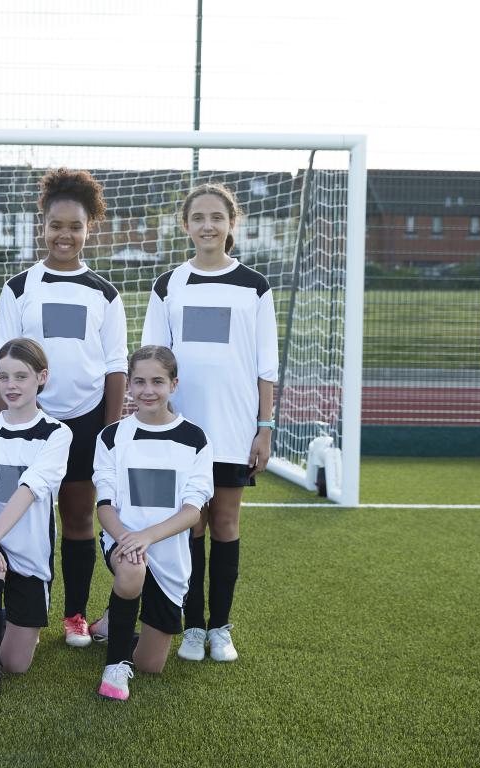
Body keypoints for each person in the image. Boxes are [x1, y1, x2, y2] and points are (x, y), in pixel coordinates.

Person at [141, 182, 278, 663]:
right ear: (186, 225)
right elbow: (152, 362)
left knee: (224, 521)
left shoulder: (254, 286)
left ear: (230, 225)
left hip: (234, 429)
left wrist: (265, 427)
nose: (207, 226)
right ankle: (193, 626)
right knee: (189, 525)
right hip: (179, 433)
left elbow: (266, 366)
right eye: (198, 218)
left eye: (216, 218)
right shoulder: (168, 284)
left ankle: (220, 626)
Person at [0, 168, 127, 647]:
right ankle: (9, 606)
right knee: (16, 514)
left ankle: (73, 614)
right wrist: (0, 420)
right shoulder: (19, 287)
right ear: (41, 226)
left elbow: (115, 365)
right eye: (55, 225)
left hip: (86, 420)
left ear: (90, 227)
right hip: (27, 423)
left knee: (77, 519)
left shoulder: (105, 293)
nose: (64, 235)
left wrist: (110, 431)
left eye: (75, 225)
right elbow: (1, 360)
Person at [92, 345, 213, 701]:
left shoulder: (194, 439)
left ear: (173, 384)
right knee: (132, 566)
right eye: (140, 381)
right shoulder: (112, 436)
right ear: (128, 385)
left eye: (158, 381)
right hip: (122, 540)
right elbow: (104, 506)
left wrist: (147, 536)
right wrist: (128, 539)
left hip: (167, 551)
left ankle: (115, 619)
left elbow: (193, 512)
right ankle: (115, 666)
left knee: (151, 664)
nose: (148, 390)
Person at [0, 338, 72, 695]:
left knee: (19, 664)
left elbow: (30, 488)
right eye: (4, 377)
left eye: (21, 377)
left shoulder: (56, 433)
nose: (10, 386)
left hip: (29, 544)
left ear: (42, 377)